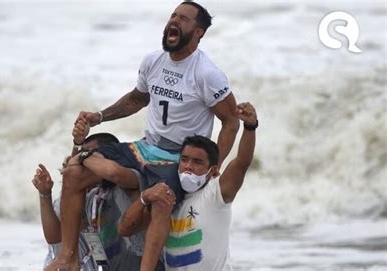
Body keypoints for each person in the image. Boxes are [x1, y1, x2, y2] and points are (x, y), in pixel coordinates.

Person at [47, 1, 240, 270]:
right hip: (144, 148)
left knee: (161, 200)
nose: (174, 21)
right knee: (73, 172)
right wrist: (100, 116)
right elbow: (137, 99)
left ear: (198, 33)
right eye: (173, 15)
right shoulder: (153, 61)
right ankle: (68, 257)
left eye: (183, 19)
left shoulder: (208, 74)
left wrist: (214, 164)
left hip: (176, 158)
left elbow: (231, 121)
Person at [119, 102, 258, 270]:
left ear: (212, 170)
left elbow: (242, 162)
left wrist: (250, 127)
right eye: (184, 160)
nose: (188, 166)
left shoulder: (216, 193)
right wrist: (145, 197)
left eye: (197, 162)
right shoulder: (165, 197)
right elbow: (125, 229)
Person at [33, 130, 163, 270]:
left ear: (108, 156)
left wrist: (81, 154)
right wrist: (45, 194)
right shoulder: (91, 198)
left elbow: (113, 173)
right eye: (84, 157)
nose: (85, 162)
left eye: (91, 155)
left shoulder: (128, 180)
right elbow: (55, 236)